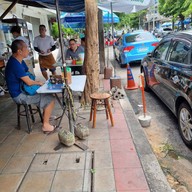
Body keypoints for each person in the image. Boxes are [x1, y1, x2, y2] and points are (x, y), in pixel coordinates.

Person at [5, 39, 56, 133]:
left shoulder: (19, 61)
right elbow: (28, 82)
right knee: (50, 100)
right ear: (19, 51)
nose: (28, 50)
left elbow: (27, 74)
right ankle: (45, 125)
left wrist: (35, 82)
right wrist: (39, 83)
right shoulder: (14, 64)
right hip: (19, 95)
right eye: (26, 48)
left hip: (24, 89)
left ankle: (46, 117)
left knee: (47, 95)